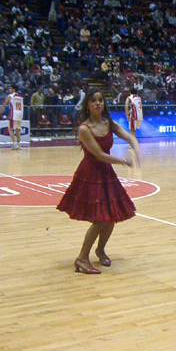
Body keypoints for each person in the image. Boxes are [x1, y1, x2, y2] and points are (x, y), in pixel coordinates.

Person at [57, 88, 142, 274]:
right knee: (99, 219)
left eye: (101, 100)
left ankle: (100, 250)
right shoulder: (84, 129)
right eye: (94, 100)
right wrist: (123, 161)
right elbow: (99, 155)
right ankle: (82, 258)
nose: (98, 103)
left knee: (110, 216)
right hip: (91, 174)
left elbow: (128, 136)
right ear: (87, 104)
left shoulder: (108, 123)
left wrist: (136, 146)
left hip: (106, 173)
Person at [0, 85, 24, 150]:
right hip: (20, 114)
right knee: (17, 130)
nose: (9, 89)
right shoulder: (21, 97)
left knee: (10, 129)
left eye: (10, 88)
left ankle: (14, 144)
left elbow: (5, 103)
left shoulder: (10, 96)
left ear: (13, 89)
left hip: (14, 114)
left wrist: (1, 110)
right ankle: (19, 144)